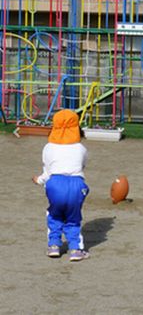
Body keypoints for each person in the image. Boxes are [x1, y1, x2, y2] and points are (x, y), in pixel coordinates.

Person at [32, 109, 90, 261]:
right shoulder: (81, 148)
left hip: (55, 184)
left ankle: (54, 245)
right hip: (77, 184)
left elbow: (48, 171)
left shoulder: (48, 147)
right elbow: (82, 166)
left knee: (54, 214)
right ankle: (75, 250)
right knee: (73, 217)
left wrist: (39, 180)